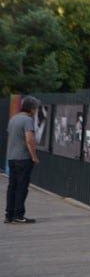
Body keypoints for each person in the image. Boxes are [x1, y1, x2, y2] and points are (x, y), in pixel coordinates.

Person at [5, 95, 41, 224]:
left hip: (12, 157)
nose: (36, 110)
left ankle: (9, 214)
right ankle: (19, 215)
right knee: (22, 187)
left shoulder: (13, 119)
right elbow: (29, 139)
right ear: (31, 108)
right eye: (36, 108)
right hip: (23, 158)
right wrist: (34, 156)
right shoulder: (27, 120)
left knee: (12, 186)